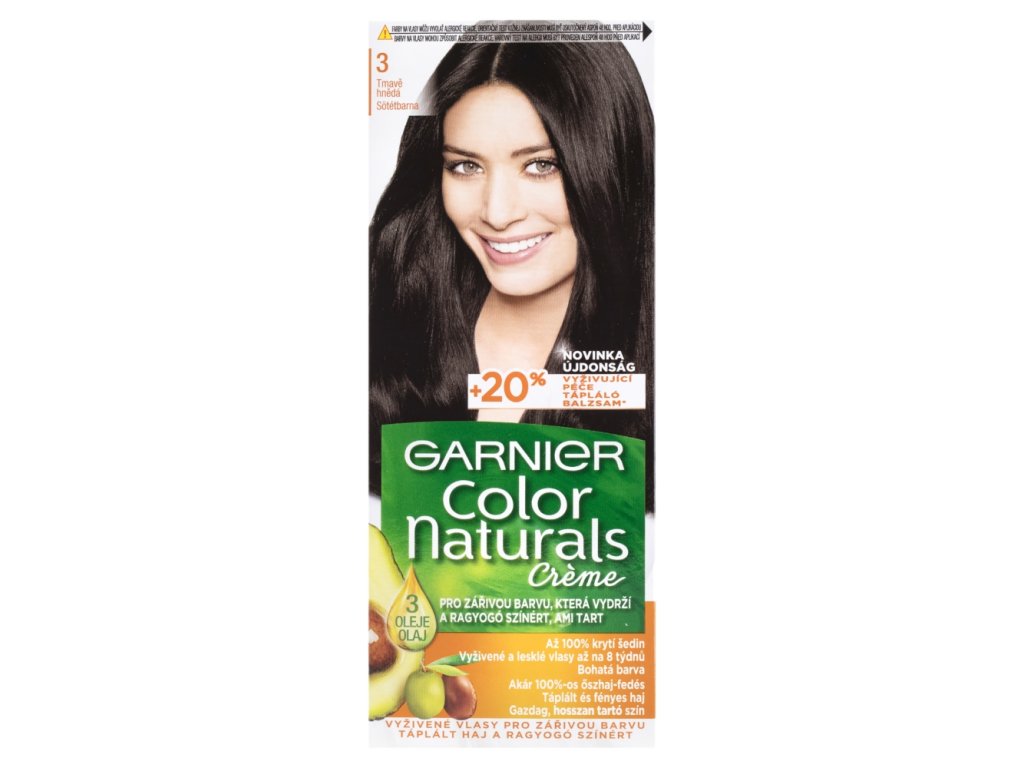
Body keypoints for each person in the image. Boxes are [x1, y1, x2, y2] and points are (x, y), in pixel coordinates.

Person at [370, 39, 655, 509]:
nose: (497, 214)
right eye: (465, 166)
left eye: (541, 165)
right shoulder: (377, 319)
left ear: (611, 166)